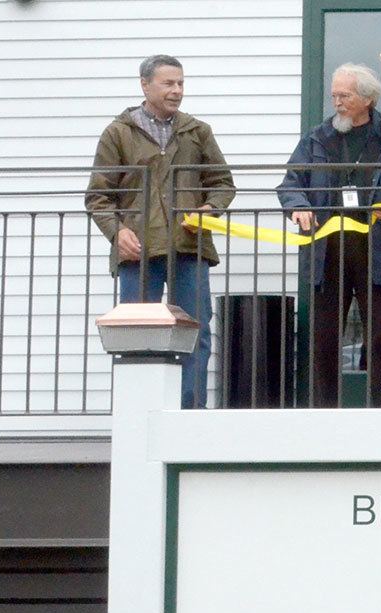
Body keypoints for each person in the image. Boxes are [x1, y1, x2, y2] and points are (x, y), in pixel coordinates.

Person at [85, 54, 234, 409]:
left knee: (195, 334)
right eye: (169, 83)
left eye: (181, 83)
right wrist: (117, 232)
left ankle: (188, 413)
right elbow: (98, 195)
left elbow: (223, 183)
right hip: (137, 252)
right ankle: (144, 413)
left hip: (189, 247)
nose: (177, 91)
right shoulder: (118, 133)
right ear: (145, 85)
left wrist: (209, 210)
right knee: (138, 335)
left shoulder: (197, 131)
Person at [277, 63, 381, 408]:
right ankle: (325, 413)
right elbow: (290, 183)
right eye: (334, 95)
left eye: (345, 95)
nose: (337, 103)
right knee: (324, 338)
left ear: (367, 99)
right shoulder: (317, 138)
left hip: (378, 249)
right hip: (327, 251)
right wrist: (297, 206)